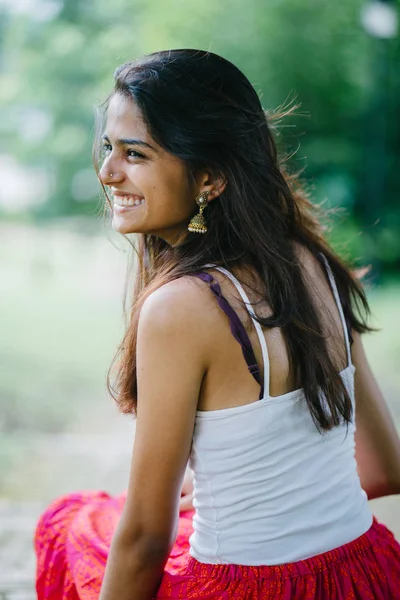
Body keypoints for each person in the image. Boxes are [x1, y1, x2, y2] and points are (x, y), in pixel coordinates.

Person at [34, 49, 400, 600]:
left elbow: (142, 541)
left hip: (245, 589)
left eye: (134, 153)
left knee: (74, 525)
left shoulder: (182, 307)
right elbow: (384, 469)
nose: (108, 172)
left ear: (208, 177)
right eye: (108, 147)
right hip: (364, 573)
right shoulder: (313, 259)